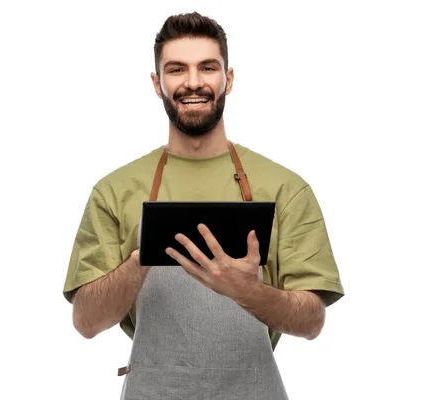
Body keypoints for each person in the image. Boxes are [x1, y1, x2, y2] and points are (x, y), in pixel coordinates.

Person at [62, 11, 344, 399]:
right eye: (176, 69)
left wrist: (246, 289)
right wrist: (139, 261)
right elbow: (86, 322)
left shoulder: (285, 189)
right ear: (157, 83)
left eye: (207, 67)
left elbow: (312, 322)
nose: (193, 82)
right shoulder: (115, 191)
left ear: (228, 79)